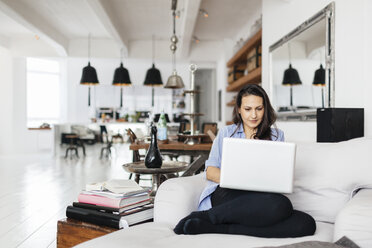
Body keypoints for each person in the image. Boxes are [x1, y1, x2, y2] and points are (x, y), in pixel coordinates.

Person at [174, 84, 316, 237]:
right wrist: (238, 180)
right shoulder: (226, 133)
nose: (253, 115)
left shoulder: (277, 135)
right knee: (281, 205)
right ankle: (207, 215)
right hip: (228, 194)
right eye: (248, 109)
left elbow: (279, 173)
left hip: (260, 197)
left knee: (306, 224)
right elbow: (210, 172)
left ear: (265, 109)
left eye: (259, 109)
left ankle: (217, 228)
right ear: (239, 110)